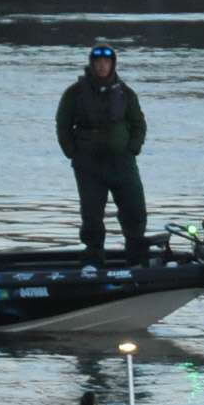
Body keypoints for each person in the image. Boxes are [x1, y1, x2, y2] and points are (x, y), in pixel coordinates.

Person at [55, 42, 149, 269]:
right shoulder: (74, 93)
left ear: (112, 64)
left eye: (106, 62)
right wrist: (72, 153)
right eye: (98, 62)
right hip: (89, 164)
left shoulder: (125, 93)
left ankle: (136, 258)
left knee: (134, 210)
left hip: (122, 162)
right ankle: (93, 259)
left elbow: (139, 124)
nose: (102, 66)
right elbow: (63, 125)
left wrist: (133, 148)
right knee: (92, 215)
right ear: (92, 64)